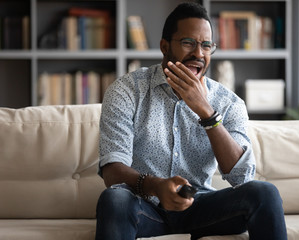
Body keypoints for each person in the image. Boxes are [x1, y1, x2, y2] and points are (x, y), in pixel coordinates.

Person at [95, 2, 287, 240]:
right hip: (145, 209)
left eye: (206, 46)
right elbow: (112, 171)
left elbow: (242, 177)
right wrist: (157, 187)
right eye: (188, 43)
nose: (199, 54)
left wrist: (206, 112)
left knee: (264, 193)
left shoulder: (228, 103)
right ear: (165, 47)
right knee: (115, 198)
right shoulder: (127, 90)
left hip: (202, 209)